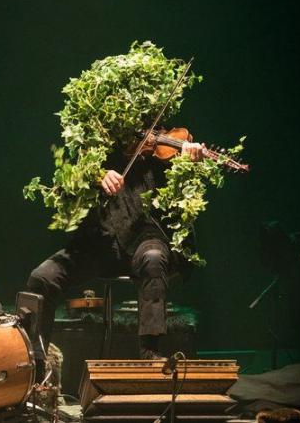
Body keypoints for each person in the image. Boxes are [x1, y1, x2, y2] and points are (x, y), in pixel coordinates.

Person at [26, 135, 204, 369]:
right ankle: (34, 363)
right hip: (99, 241)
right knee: (42, 277)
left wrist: (190, 161)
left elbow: (184, 194)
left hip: (145, 238)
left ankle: (150, 353)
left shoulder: (162, 149)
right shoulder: (93, 141)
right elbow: (67, 184)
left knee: (153, 259)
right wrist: (98, 175)